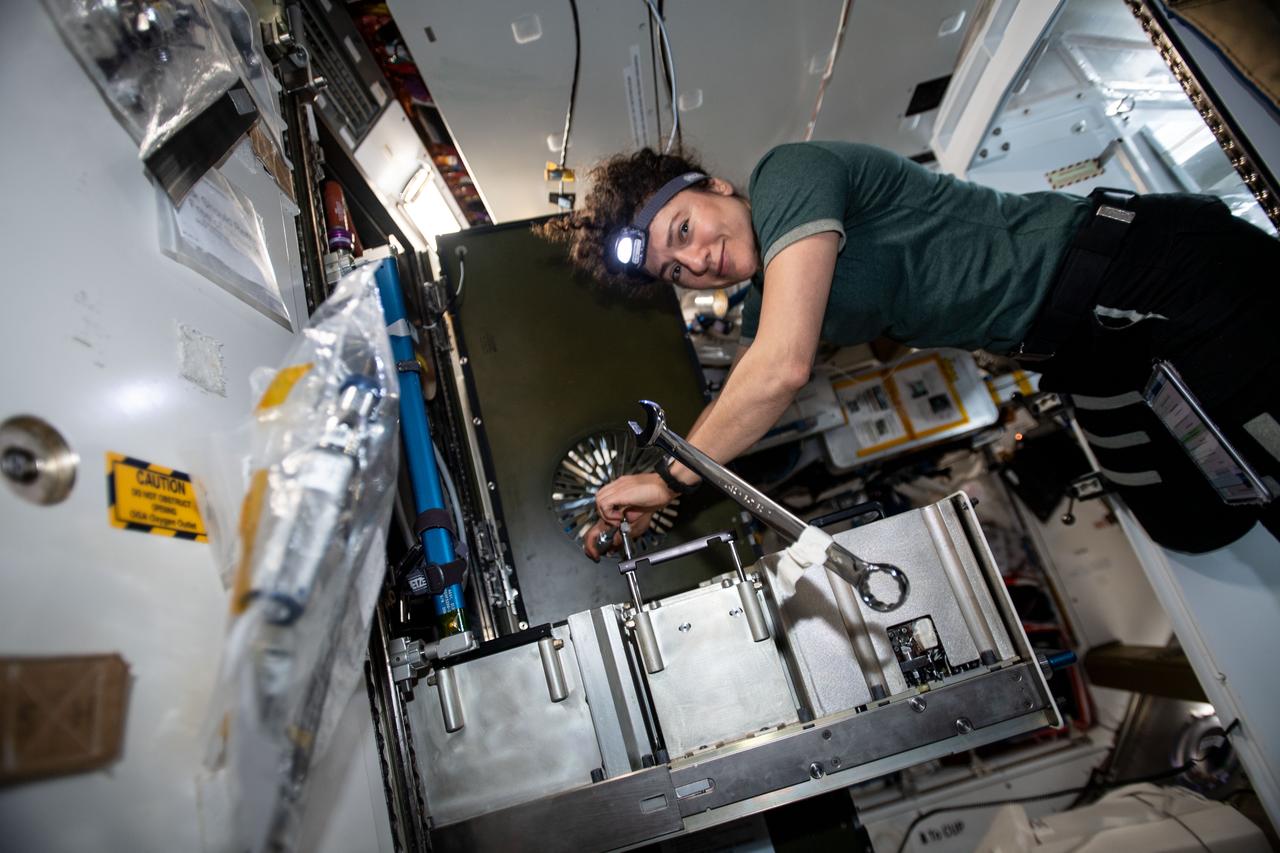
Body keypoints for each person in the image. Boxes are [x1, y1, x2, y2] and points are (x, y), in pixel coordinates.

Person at [537, 142, 1280, 556]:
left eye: (685, 231)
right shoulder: (772, 301)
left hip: (1139, 271)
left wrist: (670, 480)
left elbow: (780, 367)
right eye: (676, 271)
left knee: (1261, 445)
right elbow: (770, 378)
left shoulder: (788, 175)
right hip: (1089, 352)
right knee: (1193, 520)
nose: (696, 264)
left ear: (715, 185)